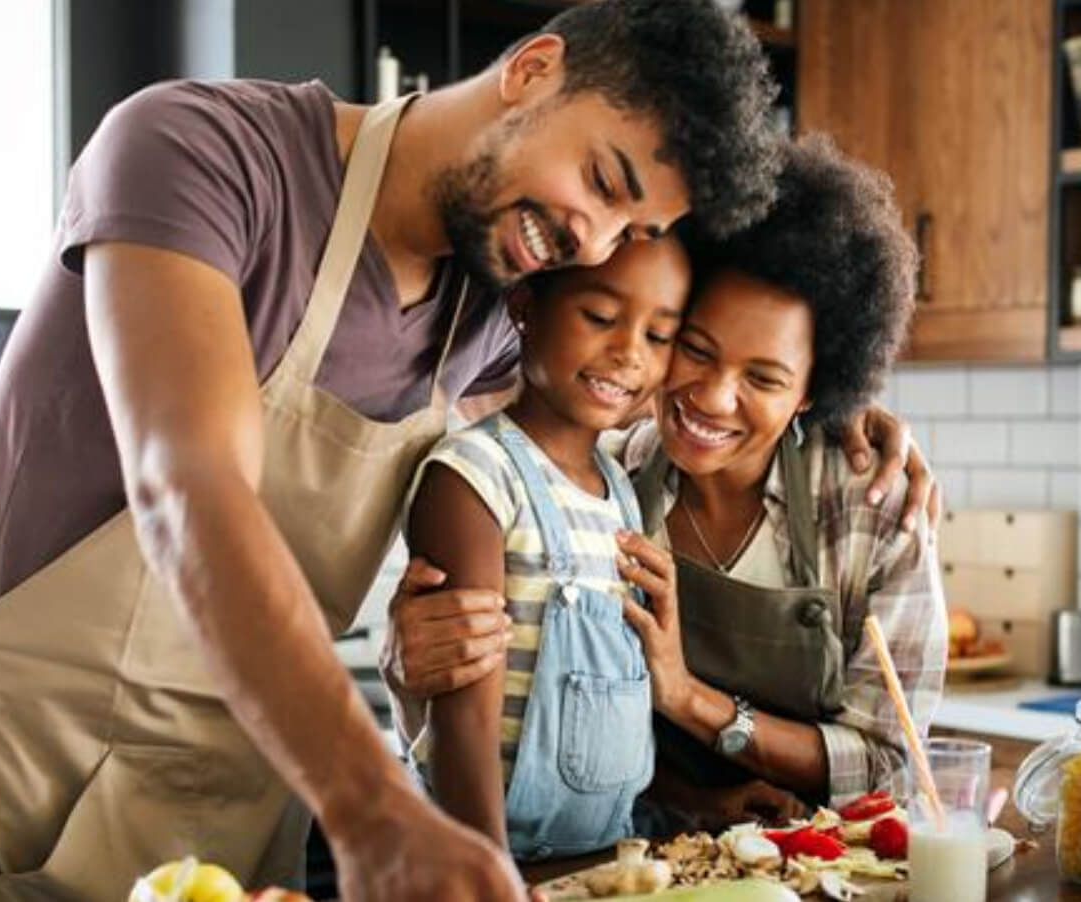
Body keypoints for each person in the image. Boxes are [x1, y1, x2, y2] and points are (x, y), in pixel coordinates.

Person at [0, 3, 786, 900]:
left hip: (236, 802)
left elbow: (630, 422)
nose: (591, 239)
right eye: (603, 182)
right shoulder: (199, 154)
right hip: (15, 778)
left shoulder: (489, 313)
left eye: (633, 231)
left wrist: (836, 440)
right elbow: (191, 487)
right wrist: (370, 809)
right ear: (533, 71)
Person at [388, 136, 949, 835]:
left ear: (816, 392)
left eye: (765, 379)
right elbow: (503, 708)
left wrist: (689, 698)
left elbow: (891, 759)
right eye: (694, 347)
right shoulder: (609, 473)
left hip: (824, 864)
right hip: (642, 858)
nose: (713, 398)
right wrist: (412, 656)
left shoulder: (874, 510)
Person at [405, 237, 688, 860]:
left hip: (601, 860)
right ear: (524, 305)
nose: (628, 354)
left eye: (658, 335)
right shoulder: (473, 477)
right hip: (479, 859)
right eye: (601, 318)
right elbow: (466, 717)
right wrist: (488, 874)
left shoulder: (620, 492)